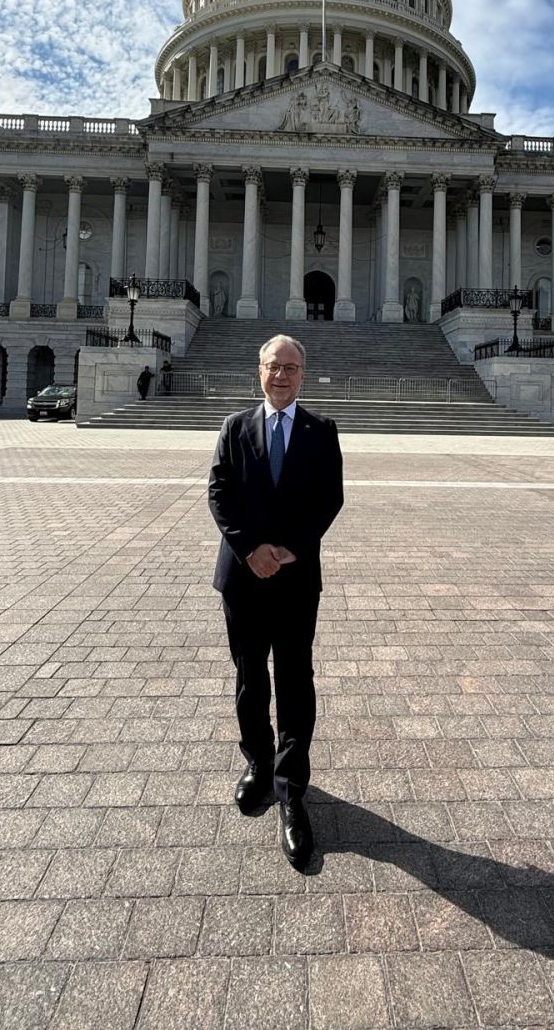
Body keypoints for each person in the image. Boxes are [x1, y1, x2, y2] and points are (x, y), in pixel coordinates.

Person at [208, 334, 344, 868]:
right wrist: (250, 550)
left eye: (290, 367)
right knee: (249, 678)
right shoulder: (235, 426)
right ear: (259, 371)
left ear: (302, 374)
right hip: (243, 577)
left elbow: (329, 498)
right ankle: (258, 764)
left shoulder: (321, 431)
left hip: (293, 576)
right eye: (273, 366)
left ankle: (291, 790)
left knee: (293, 680)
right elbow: (218, 492)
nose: (282, 375)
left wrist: (286, 550)